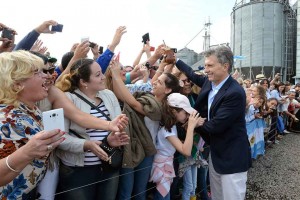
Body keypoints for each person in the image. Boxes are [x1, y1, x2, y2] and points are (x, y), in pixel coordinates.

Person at [175, 46, 251, 200]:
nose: (206, 70)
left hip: (232, 157)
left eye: (210, 65)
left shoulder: (234, 93)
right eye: (205, 65)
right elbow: (192, 74)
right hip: (216, 153)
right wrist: (175, 60)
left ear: (225, 66)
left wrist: (194, 122)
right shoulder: (211, 82)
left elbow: (215, 126)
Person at [55, 58, 129, 200]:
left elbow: (116, 126)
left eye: (101, 73)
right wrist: (86, 145)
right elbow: (59, 137)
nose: (103, 77)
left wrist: (113, 138)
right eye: (97, 75)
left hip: (108, 165)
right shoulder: (67, 99)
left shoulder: (109, 95)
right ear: (83, 82)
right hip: (78, 171)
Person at [110, 60, 181, 200]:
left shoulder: (161, 107)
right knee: (125, 191)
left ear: (167, 90)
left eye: (159, 82)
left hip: (147, 151)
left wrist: (117, 76)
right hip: (130, 147)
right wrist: (114, 76)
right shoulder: (147, 96)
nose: (154, 82)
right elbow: (121, 95)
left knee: (139, 192)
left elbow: (133, 104)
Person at [0, 50, 65, 199]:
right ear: (17, 84)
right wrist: (27, 152)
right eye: (37, 72)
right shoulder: (4, 119)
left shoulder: (31, 109)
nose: (46, 75)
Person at [149, 93, 205, 200]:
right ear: (174, 111)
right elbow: (186, 151)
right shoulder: (167, 129)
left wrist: (191, 127)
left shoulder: (170, 125)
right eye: (185, 113)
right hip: (162, 168)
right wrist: (191, 128)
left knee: (165, 196)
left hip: (164, 165)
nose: (188, 116)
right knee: (162, 197)